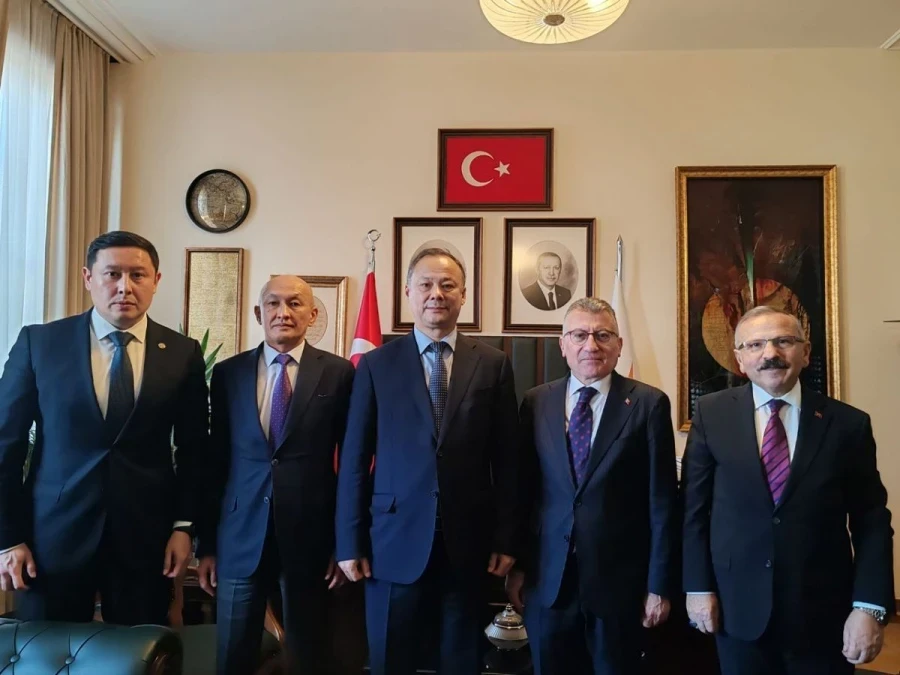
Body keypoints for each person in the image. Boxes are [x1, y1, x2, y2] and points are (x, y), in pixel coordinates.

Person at [0, 231, 208, 625]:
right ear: (88, 278)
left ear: (156, 281)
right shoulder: (39, 344)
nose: (124, 287)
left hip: (146, 541)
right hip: (51, 540)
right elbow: (5, 445)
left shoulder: (182, 353)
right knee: (46, 652)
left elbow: (194, 449)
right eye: (112, 274)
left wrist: (183, 527)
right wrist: (7, 538)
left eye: (137, 275)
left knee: (139, 652)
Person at [335, 248, 519, 675]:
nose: (437, 293)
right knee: (390, 660)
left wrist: (507, 538)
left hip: (468, 545)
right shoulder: (376, 364)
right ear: (408, 293)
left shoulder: (493, 364)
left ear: (463, 294)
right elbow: (355, 459)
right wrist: (349, 541)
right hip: (390, 543)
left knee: (461, 661)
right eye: (426, 284)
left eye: (447, 285)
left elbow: (508, 460)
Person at [682, 306, 894, 675]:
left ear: (805, 352)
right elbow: (693, 511)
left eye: (783, 341)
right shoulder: (711, 414)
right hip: (736, 610)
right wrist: (697, 588)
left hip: (823, 615)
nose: (770, 353)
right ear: (739, 358)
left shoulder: (848, 424)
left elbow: (871, 521)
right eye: (755, 345)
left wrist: (869, 606)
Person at [507, 297, 679, 674]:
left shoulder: (648, 404)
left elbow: (662, 503)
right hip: (548, 582)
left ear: (619, 345)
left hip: (619, 586)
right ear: (562, 345)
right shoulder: (536, 402)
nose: (591, 345)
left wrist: (659, 585)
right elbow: (524, 493)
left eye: (603, 335)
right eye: (579, 335)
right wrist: (517, 566)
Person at [197, 275, 355, 675]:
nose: (283, 312)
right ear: (258, 312)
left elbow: (351, 464)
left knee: (309, 656)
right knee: (233, 655)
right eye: (273, 303)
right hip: (239, 537)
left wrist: (344, 543)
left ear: (312, 314)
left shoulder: (338, 373)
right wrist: (207, 546)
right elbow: (214, 463)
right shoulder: (228, 374)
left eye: (295, 303)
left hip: (312, 539)